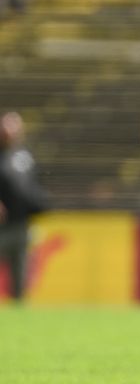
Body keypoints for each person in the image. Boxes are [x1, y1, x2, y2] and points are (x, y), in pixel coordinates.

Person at [0, 112, 48, 302]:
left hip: (21, 223)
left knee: (20, 271)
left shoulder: (24, 156)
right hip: (2, 226)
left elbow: (31, 185)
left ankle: (19, 307)